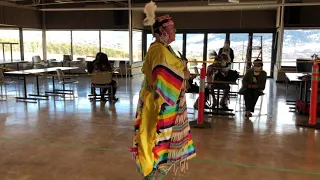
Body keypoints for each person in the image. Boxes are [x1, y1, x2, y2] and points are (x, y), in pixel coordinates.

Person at [131, 2, 196, 179]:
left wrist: (182, 69)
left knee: (164, 143)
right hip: (160, 104)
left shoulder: (165, 49)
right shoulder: (159, 50)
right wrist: (184, 74)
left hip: (166, 105)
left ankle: (156, 174)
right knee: (159, 142)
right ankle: (152, 176)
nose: (175, 31)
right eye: (172, 28)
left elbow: (170, 69)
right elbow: (163, 76)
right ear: (163, 33)